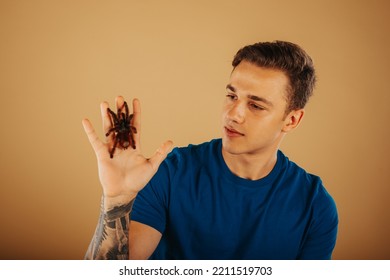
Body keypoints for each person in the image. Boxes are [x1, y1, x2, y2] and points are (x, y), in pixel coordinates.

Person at [82, 40, 338, 260]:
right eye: (232, 96)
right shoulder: (169, 173)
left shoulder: (315, 207)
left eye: (256, 106)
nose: (234, 114)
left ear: (291, 120)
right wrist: (117, 199)